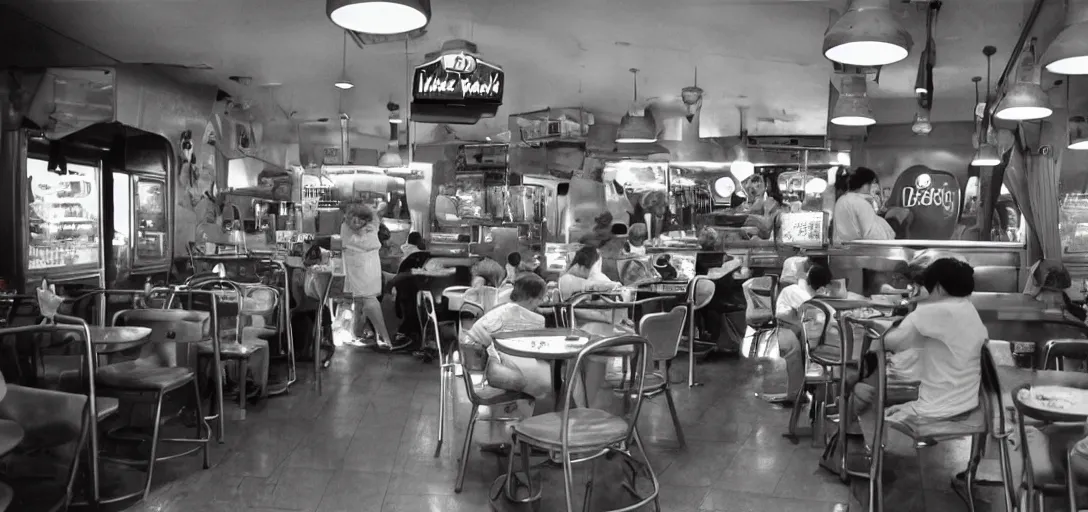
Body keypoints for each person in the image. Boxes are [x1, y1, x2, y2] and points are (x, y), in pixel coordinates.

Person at [851, 258, 987, 449]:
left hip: (939, 409)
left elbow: (893, 342)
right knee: (870, 382)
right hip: (967, 402)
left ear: (938, 287)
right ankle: (864, 441)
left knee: (863, 391)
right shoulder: (967, 308)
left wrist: (873, 326)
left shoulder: (938, 310)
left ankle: (872, 456)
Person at [463, 274, 554, 409]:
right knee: (548, 379)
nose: (540, 304)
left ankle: (520, 407)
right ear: (530, 300)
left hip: (472, 358)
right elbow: (534, 347)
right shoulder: (527, 317)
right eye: (540, 299)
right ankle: (536, 421)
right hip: (482, 364)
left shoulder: (507, 308)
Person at [773, 263, 835, 403]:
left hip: (799, 327)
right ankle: (796, 395)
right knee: (794, 354)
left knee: (808, 353)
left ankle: (807, 390)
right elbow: (816, 307)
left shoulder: (805, 291)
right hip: (786, 328)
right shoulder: (795, 291)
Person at [340, 202, 392, 348]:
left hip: (366, 266)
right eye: (354, 219)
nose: (356, 222)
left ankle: (371, 335)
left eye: (360, 219)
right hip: (359, 267)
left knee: (364, 301)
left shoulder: (370, 225)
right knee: (365, 301)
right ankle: (381, 338)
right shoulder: (349, 227)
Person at [833, 167, 897, 243]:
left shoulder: (842, 200)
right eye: (874, 183)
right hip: (862, 252)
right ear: (867, 184)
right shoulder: (861, 203)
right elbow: (874, 236)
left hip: (844, 251)